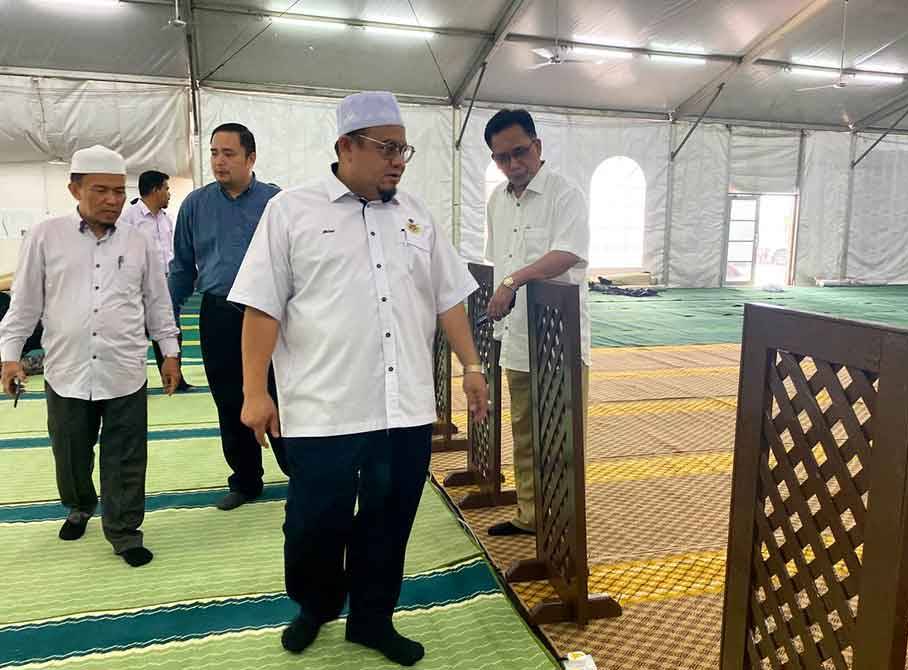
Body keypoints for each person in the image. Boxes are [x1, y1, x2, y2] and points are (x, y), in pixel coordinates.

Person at [230, 91, 488, 667]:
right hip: (323, 409)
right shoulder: (292, 211)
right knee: (312, 524)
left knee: (388, 523)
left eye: (404, 149)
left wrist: (471, 367)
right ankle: (316, 605)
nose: (399, 160)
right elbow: (261, 308)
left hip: (405, 410)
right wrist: (254, 392)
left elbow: (449, 298)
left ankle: (372, 619)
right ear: (345, 147)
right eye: (386, 148)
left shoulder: (417, 216)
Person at [0, 145, 181, 567]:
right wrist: (10, 356)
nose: (113, 200)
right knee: (70, 454)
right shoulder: (46, 236)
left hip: (124, 371)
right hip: (66, 371)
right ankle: (80, 505)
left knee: (126, 457)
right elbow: (24, 303)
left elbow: (157, 302)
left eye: (119, 191)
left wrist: (169, 352)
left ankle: (124, 531)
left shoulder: (139, 242)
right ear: (74, 189)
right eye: (101, 190)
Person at [482, 109, 591, 537]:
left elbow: (566, 254)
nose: (512, 164)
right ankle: (530, 516)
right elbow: (498, 261)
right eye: (502, 158)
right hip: (517, 339)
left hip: (558, 340)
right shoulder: (497, 200)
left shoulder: (566, 194)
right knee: (524, 433)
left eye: (519, 152)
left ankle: (563, 524)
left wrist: (514, 280)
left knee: (561, 438)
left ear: (538, 146)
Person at [169, 123, 288, 511]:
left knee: (282, 391)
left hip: (270, 313)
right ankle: (246, 480)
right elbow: (183, 266)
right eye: (214, 153)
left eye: (229, 154)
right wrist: (168, 319)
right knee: (227, 396)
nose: (219, 161)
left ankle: (300, 469)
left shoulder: (277, 202)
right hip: (218, 312)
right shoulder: (195, 205)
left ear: (251, 158)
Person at [119, 170, 192, 391]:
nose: (169, 194)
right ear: (155, 190)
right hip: (138, 286)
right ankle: (132, 384)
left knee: (171, 331)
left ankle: (173, 377)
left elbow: (171, 252)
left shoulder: (167, 219)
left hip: (166, 283)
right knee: (135, 336)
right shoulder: (129, 218)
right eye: (167, 189)